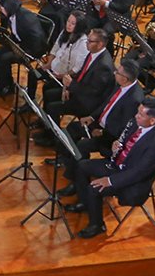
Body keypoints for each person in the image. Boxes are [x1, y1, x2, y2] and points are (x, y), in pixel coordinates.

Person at [64, 97, 155, 239]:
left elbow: (138, 173)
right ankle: (85, 202)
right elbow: (125, 142)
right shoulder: (135, 123)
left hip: (131, 181)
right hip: (118, 165)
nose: (136, 116)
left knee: (94, 187)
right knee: (82, 166)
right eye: (137, 112)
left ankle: (97, 225)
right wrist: (116, 144)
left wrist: (110, 181)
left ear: (152, 121)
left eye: (141, 114)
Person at [58, 60, 145, 194]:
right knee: (72, 128)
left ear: (125, 79)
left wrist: (102, 132)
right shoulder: (121, 85)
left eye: (118, 72)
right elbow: (107, 103)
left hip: (111, 136)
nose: (114, 73)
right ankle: (67, 162)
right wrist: (92, 117)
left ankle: (77, 183)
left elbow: (123, 127)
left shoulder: (134, 99)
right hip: (101, 124)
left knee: (82, 146)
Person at [0, 0, 45, 96]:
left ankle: (5, 86)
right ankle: (5, 82)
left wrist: (23, 50)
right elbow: (14, 33)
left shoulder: (26, 18)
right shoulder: (11, 15)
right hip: (20, 44)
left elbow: (37, 39)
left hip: (32, 49)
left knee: (4, 58)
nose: (0, 10)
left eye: (2, 8)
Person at [32, 10, 89, 105]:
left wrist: (62, 76)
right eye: (68, 21)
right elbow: (55, 49)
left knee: (47, 88)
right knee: (33, 74)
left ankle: (45, 111)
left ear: (79, 26)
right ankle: (31, 100)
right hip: (52, 68)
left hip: (63, 76)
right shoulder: (65, 32)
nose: (68, 25)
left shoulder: (83, 43)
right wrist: (49, 64)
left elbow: (77, 68)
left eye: (73, 23)